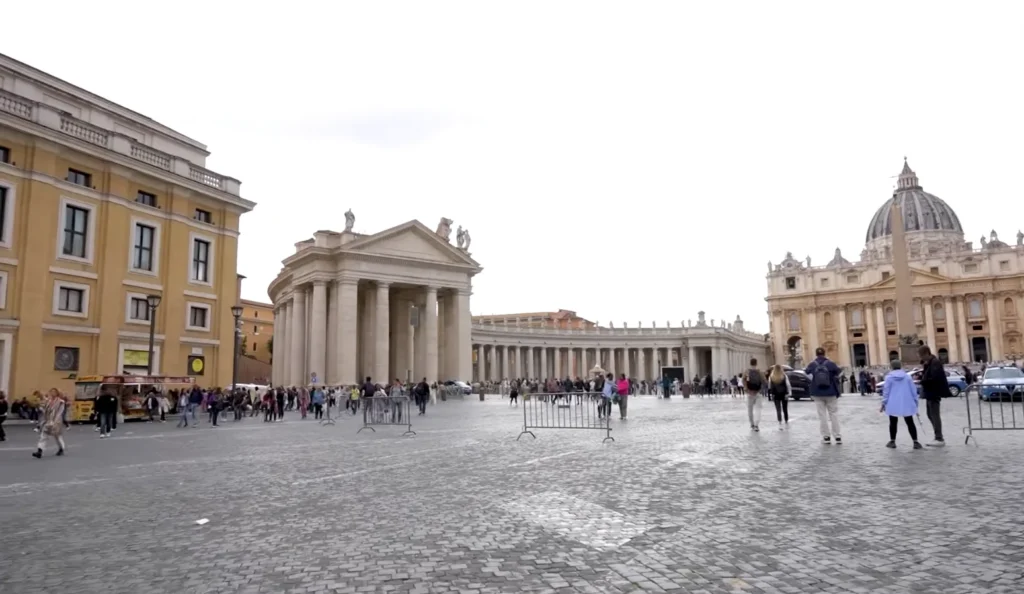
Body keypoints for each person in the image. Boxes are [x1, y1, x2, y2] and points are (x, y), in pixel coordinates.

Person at [880, 360, 922, 449]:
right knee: (910, 422)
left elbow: (886, 392)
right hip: (906, 401)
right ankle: (915, 441)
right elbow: (913, 390)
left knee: (893, 422)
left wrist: (884, 403)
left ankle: (892, 441)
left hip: (893, 402)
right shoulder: (907, 377)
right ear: (900, 366)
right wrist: (915, 401)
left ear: (891, 367)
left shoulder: (889, 378)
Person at [805, 346, 842, 444]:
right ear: (824, 353)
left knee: (822, 416)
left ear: (816, 354)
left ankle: (826, 437)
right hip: (831, 392)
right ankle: (837, 436)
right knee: (833, 414)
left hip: (817, 392)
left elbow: (806, 371)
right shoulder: (830, 363)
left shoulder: (813, 364)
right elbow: (839, 371)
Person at [918, 345, 949, 447]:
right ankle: (937, 436)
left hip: (934, 392)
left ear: (927, 353)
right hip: (930, 392)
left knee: (934, 415)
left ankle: (939, 438)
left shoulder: (935, 362)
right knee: (930, 414)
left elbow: (935, 378)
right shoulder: (930, 362)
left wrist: (923, 381)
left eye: (922, 355)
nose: (921, 358)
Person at [32, 389, 67, 458]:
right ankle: (40, 450)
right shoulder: (49, 401)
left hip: (56, 421)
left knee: (57, 437)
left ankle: (61, 448)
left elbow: (60, 412)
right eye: (51, 392)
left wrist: (54, 421)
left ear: (57, 393)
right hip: (48, 420)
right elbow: (44, 409)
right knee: (44, 435)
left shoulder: (60, 402)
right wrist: (40, 407)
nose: (52, 393)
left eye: (54, 392)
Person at [743, 358, 765, 431]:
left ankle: (751, 424)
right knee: (758, 409)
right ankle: (756, 424)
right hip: (758, 393)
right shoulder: (760, 372)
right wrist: (760, 390)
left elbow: (744, 380)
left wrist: (747, 390)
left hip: (749, 393)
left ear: (750, 363)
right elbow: (764, 382)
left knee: (750, 409)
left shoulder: (747, 372)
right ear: (756, 363)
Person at [767, 364, 791, 429]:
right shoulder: (784, 376)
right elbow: (788, 385)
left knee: (778, 408)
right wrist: (789, 393)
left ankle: (780, 420)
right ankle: (786, 419)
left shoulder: (771, 376)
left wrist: (771, 394)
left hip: (775, 394)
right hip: (784, 394)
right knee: (785, 408)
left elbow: (769, 386)